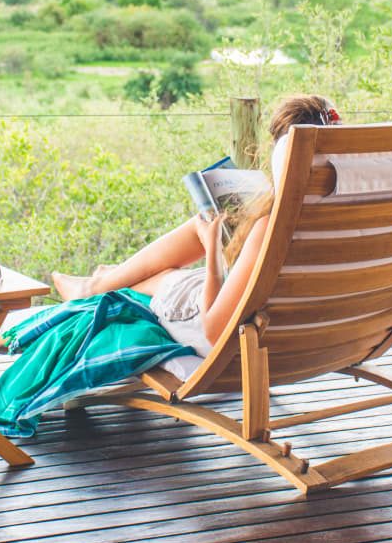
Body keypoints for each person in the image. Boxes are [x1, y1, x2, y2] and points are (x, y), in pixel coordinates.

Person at [51, 93, 342, 355]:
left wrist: (213, 251)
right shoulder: (353, 224)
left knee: (167, 272)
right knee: (193, 241)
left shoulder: (271, 229)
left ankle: (97, 286)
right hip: (314, 338)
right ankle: (101, 282)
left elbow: (214, 331)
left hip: (240, 340)